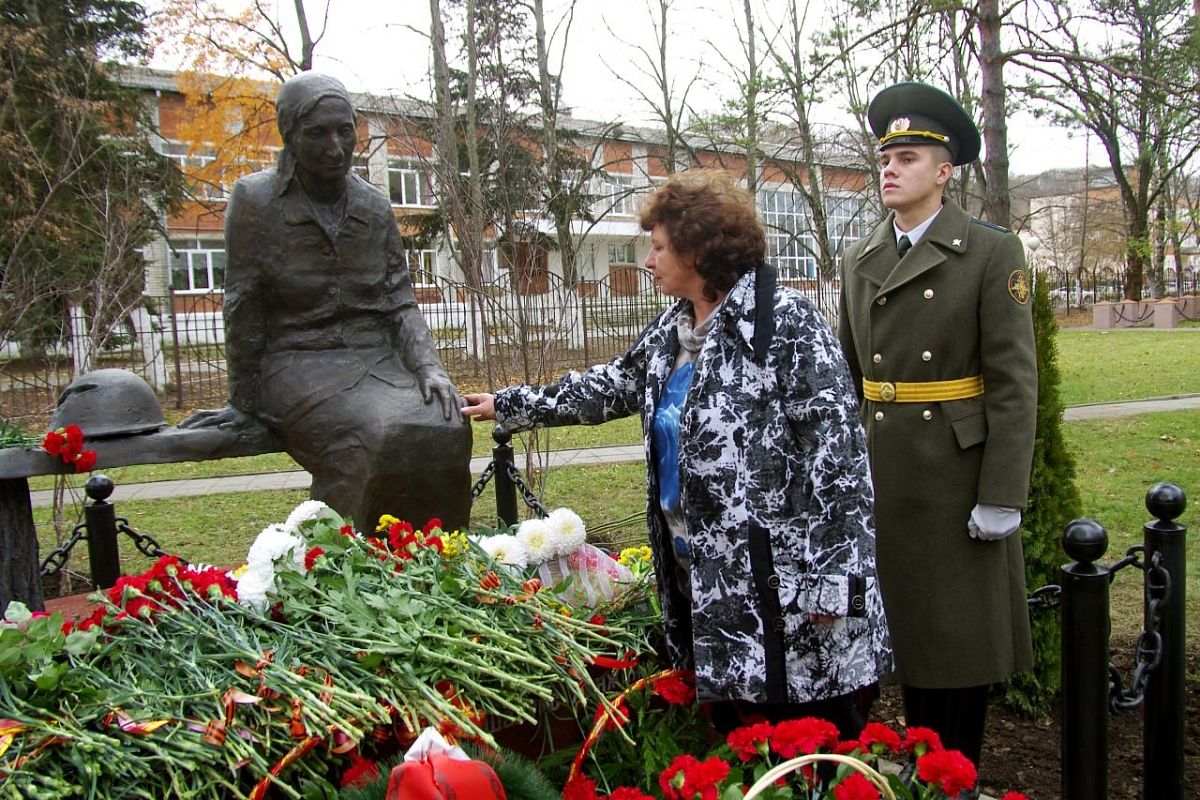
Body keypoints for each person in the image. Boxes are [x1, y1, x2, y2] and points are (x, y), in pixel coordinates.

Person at [462, 171, 891, 737]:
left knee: (809, 746)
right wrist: (510, 404)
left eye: (659, 246)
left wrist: (835, 581)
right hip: (703, 583)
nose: (647, 260)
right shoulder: (676, 326)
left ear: (698, 248)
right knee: (739, 748)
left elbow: (838, 463)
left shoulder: (785, 323)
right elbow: (612, 385)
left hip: (786, 594)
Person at [837, 82, 1037, 782]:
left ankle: (953, 785)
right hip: (883, 478)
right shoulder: (860, 259)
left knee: (955, 654)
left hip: (955, 482)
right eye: (886, 156)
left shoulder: (988, 252)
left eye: (910, 157)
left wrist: (1003, 492)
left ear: (945, 172)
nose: (890, 168)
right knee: (906, 652)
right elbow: (849, 378)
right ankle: (919, 782)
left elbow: (1014, 383)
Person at [181, 72, 471, 532]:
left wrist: (429, 368)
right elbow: (243, 304)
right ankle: (343, 564)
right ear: (290, 136)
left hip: (376, 362)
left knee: (447, 425)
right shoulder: (255, 201)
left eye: (344, 130)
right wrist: (243, 403)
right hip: (296, 363)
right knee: (374, 437)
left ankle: (437, 564)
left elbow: (400, 301)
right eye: (317, 133)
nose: (335, 147)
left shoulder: (374, 206)